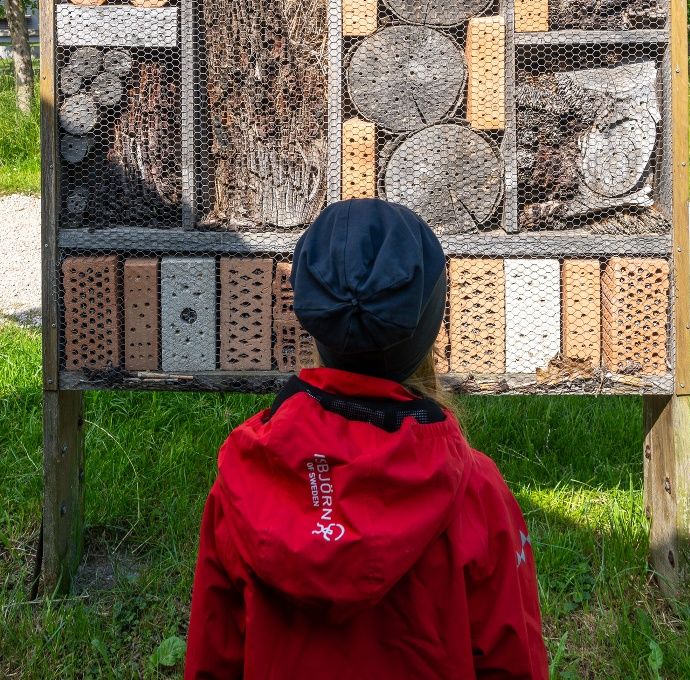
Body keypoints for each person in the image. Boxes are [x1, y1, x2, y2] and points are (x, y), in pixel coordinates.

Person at [185, 198, 549, 679]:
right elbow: (512, 661)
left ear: (314, 320)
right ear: (429, 326)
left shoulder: (246, 477)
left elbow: (214, 659)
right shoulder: (477, 493)